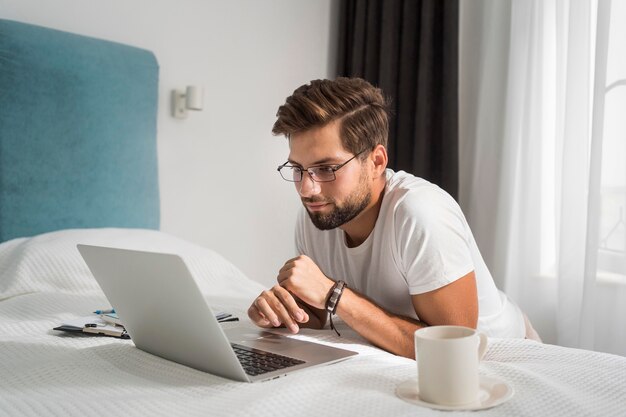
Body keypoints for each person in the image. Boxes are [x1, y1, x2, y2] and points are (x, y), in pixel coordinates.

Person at [247, 77, 539, 359]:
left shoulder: (420, 213)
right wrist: (281, 312)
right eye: (298, 169)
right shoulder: (320, 211)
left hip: (503, 351)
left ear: (376, 162)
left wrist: (335, 294)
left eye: (327, 169)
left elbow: (454, 350)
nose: (307, 189)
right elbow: (318, 314)